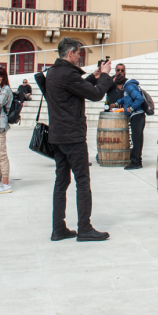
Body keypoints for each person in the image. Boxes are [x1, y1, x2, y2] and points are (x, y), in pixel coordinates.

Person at [42, 37, 114, 241]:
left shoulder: (54, 72)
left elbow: (75, 89)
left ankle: (58, 228)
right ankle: (84, 228)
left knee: (61, 182)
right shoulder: (68, 74)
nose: (79, 57)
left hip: (58, 136)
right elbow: (96, 94)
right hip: (72, 136)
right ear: (70, 53)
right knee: (82, 181)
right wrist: (105, 75)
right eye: (78, 53)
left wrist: (93, 76)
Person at [119, 67, 147, 170]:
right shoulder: (130, 86)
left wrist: (131, 108)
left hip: (137, 115)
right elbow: (127, 98)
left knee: (136, 139)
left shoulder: (129, 87)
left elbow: (139, 98)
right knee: (137, 139)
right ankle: (138, 160)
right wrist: (118, 102)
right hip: (139, 115)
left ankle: (135, 162)